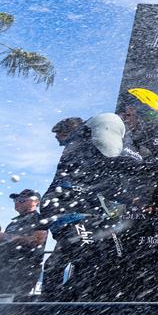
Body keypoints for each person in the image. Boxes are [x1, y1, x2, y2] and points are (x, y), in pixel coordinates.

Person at [40, 113, 142, 301]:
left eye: (59, 136)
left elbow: (105, 180)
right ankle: (59, 300)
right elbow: (118, 165)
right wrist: (155, 166)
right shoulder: (81, 145)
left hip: (84, 212)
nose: (59, 141)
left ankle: (79, 299)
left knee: (113, 252)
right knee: (86, 254)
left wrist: (128, 199)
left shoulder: (85, 143)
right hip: (68, 212)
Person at [0, 190, 48, 297]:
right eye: (15, 200)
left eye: (21, 200)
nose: (17, 202)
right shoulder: (13, 222)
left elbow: (38, 240)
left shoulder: (39, 219)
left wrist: (7, 236)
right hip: (2, 271)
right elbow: (5, 242)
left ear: (36, 202)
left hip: (22, 271)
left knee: (12, 305)